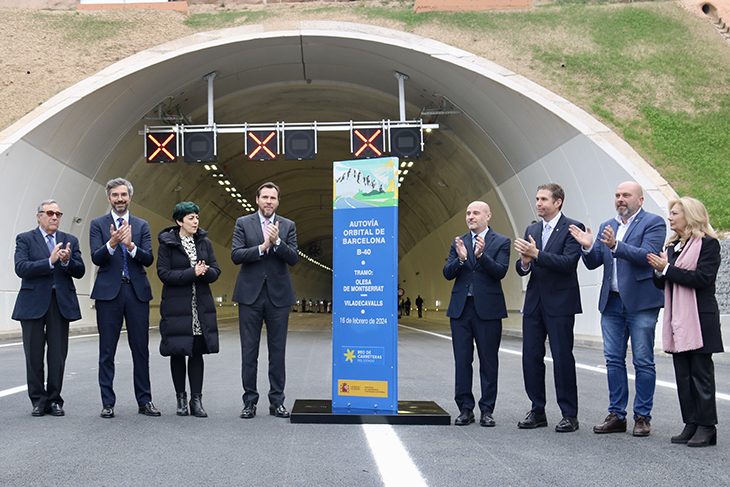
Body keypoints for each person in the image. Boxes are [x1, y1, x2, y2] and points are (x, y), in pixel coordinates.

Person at [569, 181, 665, 436]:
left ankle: (642, 417)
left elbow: (648, 256)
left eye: (626, 195)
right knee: (613, 359)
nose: (620, 199)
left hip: (642, 302)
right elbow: (593, 263)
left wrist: (615, 246)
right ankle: (617, 414)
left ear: (640, 200)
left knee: (643, 360)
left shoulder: (653, 223)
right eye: (617, 195)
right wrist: (588, 246)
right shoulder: (606, 226)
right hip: (611, 302)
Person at [648, 197, 723, 447]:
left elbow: (702, 279)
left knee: (701, 375)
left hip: (700, 319)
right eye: (670, 213)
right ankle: (690, 423)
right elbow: (662, 282)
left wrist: (667, 268)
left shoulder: (709, 245)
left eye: (674, 214)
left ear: (690, 216)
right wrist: (659, 270)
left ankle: (706, 427)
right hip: (678, 319)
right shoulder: (673, 246)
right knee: (683, 375)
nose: (670, 217)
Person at [514, 183, 584, 433]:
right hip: (534, 303)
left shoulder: (573, 228)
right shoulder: (532, 228)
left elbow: (568, 263)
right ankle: (537, 409)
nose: (538, 203)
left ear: (558, 202)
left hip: (561, 303)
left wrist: (537, 254)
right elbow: (525, 267)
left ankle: (569, 414)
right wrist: (524, 263)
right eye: (537, 199)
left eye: (544, 199)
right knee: (531, 357)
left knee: (562, 358)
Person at [90, 178, 159, 418]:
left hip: (136, 292)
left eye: (124, 195)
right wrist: (112, 242)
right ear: (109, 198)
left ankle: (145, 400)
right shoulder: (98, 224)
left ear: (129, 197)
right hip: (109, 294)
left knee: (140, 349)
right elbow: (96, 258)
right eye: (115, 195)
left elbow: (148, 259)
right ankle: (107, 402)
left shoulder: (141, 225)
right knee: (107, 350)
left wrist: (130, 246)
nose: (120, 199)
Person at [12, 200, 85, 417]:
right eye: (50, 213)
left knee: (57, 354)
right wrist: (50, 261)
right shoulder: (25, 239)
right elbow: (21, 267)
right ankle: (38, 400)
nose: (55, 217)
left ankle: (55, 400)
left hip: (59, 303)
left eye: (58, 214)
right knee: (33, 354)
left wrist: (66, 261)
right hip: (32, 303)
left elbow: (80, 270)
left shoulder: (69, 240)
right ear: (39, 216)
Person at [232, 182, 298, 419]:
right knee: (249, 351)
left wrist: (278, 242)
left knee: (277, 352)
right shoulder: (243, 223)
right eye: (265, 197)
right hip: (250, 295)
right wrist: (262, 247)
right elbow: (236, 255)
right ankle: (249, 401)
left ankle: (277, 401)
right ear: (257, 200)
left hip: (278, 297)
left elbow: (294, 259)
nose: (269, 201)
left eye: (273, 198)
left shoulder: (288, 226)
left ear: (278, 202)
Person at [443, 201, 510, 427]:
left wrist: (481, 256)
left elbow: (500, 272)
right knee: (462, 361)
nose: (471, 216)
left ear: (488, 216)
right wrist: (461, 258)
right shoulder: (458, 242)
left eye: (476, 213)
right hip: (461, 310)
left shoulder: (501, 242)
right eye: (468, 213)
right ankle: (464, 408)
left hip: (488, 310)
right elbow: (447, 273)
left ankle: (487, 409)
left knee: (489, 362)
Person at [157, 202, 221, 418]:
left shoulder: (204, 242)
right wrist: (191, 272)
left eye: (196, 217)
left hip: (199, 307)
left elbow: (216, 271)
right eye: (191, 218)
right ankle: (181, 399)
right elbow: (164, 274)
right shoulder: (167, 244)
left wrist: (205, 272)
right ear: (179, 221)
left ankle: (197, 400)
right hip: (177, 306)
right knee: (177, 352)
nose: (195, 222)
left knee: (196, 352)